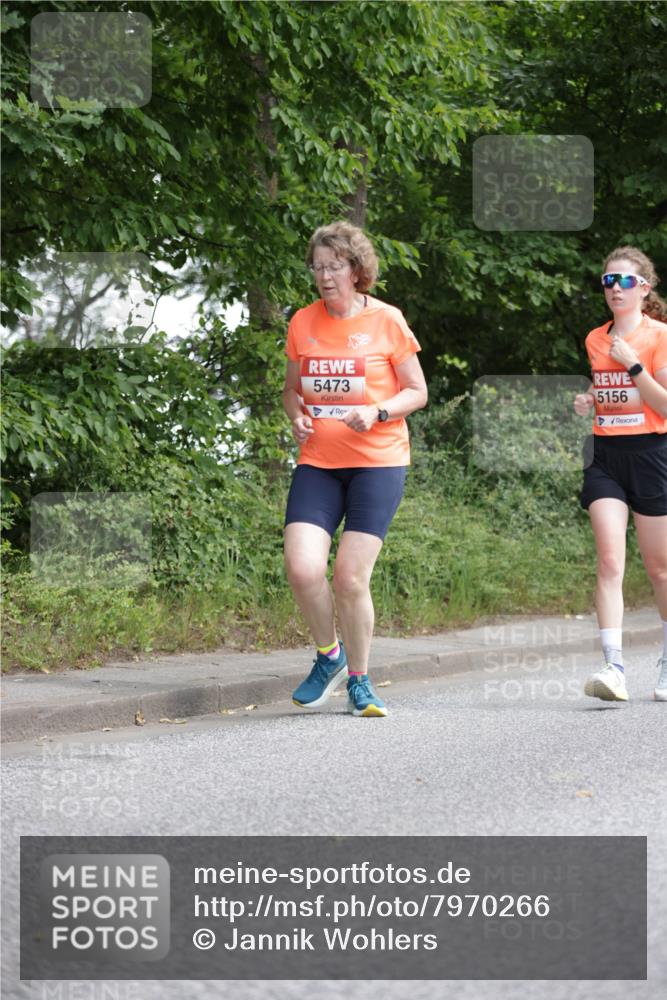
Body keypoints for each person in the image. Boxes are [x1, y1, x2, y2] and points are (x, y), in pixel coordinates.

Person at [282, 221, 428, 717]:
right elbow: (291, 390)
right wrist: (297, 415)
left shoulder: (387, 320)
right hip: (319, 463)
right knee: (302, 569)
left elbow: (417, 391)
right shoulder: (302, 322)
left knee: (348, 577)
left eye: (334, 266)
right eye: (317, 267)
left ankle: (361, 682)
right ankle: (330, 657)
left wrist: (378, 411)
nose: (324, 276)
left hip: (378, 463)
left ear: (356, 269)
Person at [574, 246, 667, 702]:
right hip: (605, 456)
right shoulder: (596, 338)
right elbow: (606, 383)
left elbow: (664, 403)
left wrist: (632, 362)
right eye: (608, 280)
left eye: (624, 281)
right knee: (610, 562)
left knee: (661, 570)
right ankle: (614, 668)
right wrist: (590, 397)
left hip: (653, 455)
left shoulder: (660, 336)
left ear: (644, 288)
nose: (614, 288)